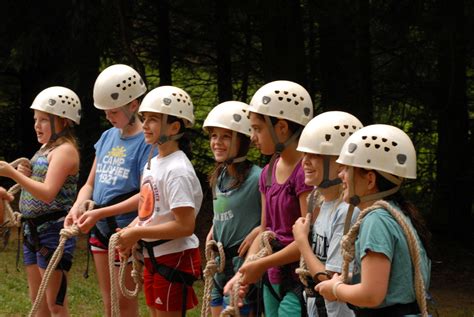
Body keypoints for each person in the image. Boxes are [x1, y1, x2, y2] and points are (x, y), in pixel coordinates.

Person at [315, 124, 432, 316]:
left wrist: (335, 290)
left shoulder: (375, 221)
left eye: (347, 169)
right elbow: (391, 281)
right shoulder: (397, 213)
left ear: (370, 180)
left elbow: (372, 295)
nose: (340, 175)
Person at [64, 64, 151, 317]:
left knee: (124, 305)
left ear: (133, 105)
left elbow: (145, 196)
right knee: (109, 304)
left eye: (113, 111)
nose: (109, 117)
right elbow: (90, 183)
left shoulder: (146, 142)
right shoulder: (107, 137)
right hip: (100, 227)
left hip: (124, 230)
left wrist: (101, 214)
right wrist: (78, 204)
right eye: (105, 112)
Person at [225, 80, 314, 316]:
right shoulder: (267, 173)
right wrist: (242, 274)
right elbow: (266, 230)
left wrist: (260, 265)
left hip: (299, 278)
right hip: (272, 276)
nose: (252, 136)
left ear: (282, 127)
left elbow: (307, 239)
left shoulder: (306, 173)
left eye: (258, 128)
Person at [115, 85, 203, 317]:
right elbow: (148, 212)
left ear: (174, 127)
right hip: (154, 253)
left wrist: (136, 234)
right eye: (144, 118)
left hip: (174, 256)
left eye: (153, 119)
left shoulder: (177, 170)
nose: (144, 125)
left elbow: (185, 226)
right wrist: (130, 231)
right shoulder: (153, 162)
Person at [0, 86, 81, 316]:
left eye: (44, 120)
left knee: (55, 304)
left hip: (52, 233)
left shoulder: (64, 151)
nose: (37, 125)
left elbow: (48, 193)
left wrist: (13, 174)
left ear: (63, 122)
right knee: (38, 301)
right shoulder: (45, 149)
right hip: (33, 232)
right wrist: (27, 175)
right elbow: (40, 185)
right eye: (36, 119)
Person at [292, 111, 363, 317]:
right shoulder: (318, 200)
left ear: (341, 162)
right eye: (305, 154)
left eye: (315, 155)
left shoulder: (347, 211)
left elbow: (329, 280)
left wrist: (302, 242)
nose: (305, 161)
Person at [202, 101, 262, 316]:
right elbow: (221, 213)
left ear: (244, 140)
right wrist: (213, 229)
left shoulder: (258, 178)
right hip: (220, 265)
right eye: (214, 136)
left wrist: (258, 230)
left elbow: (271, 219)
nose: (217, 142)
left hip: (243, 265)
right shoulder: (219, 176)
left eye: (226, 136)